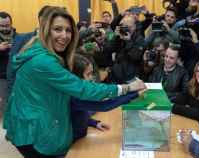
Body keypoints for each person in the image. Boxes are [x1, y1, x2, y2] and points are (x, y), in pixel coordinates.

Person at [3, 8, 146, 157]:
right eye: (57, 29)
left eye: (68, 30)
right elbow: (84, 90)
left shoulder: (38, 50)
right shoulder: (43, 61)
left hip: (29, 123)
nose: (64, 35)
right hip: (32, 132)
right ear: (45, 30)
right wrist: (128, 89)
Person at [70, 54, 143, 142]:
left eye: (92, 73)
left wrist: (94, 123)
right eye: (88, 74)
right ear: (76, 77)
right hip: (73, 143)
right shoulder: (75, 96)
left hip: (81, 137)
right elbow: (104, 105)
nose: (91, 78)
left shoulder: (77, 92)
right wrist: (135, 94)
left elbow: (79, 113)